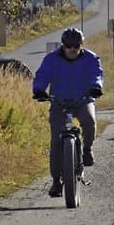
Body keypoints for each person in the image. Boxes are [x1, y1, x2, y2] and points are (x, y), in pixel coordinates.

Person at [33, 28, 104, 197]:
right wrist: (39, 90)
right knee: (56, 141)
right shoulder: (52, 59)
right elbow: (42, 75)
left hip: (83, 100)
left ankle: (87, 149)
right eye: (68, 46)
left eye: (76, 46)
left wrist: (96, 87)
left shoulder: (91, 58)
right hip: (59, 102)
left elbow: (97, 75)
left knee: (89, 121)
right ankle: (56, 181)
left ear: (81, 45)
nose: (72, 49)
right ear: (63, 46)